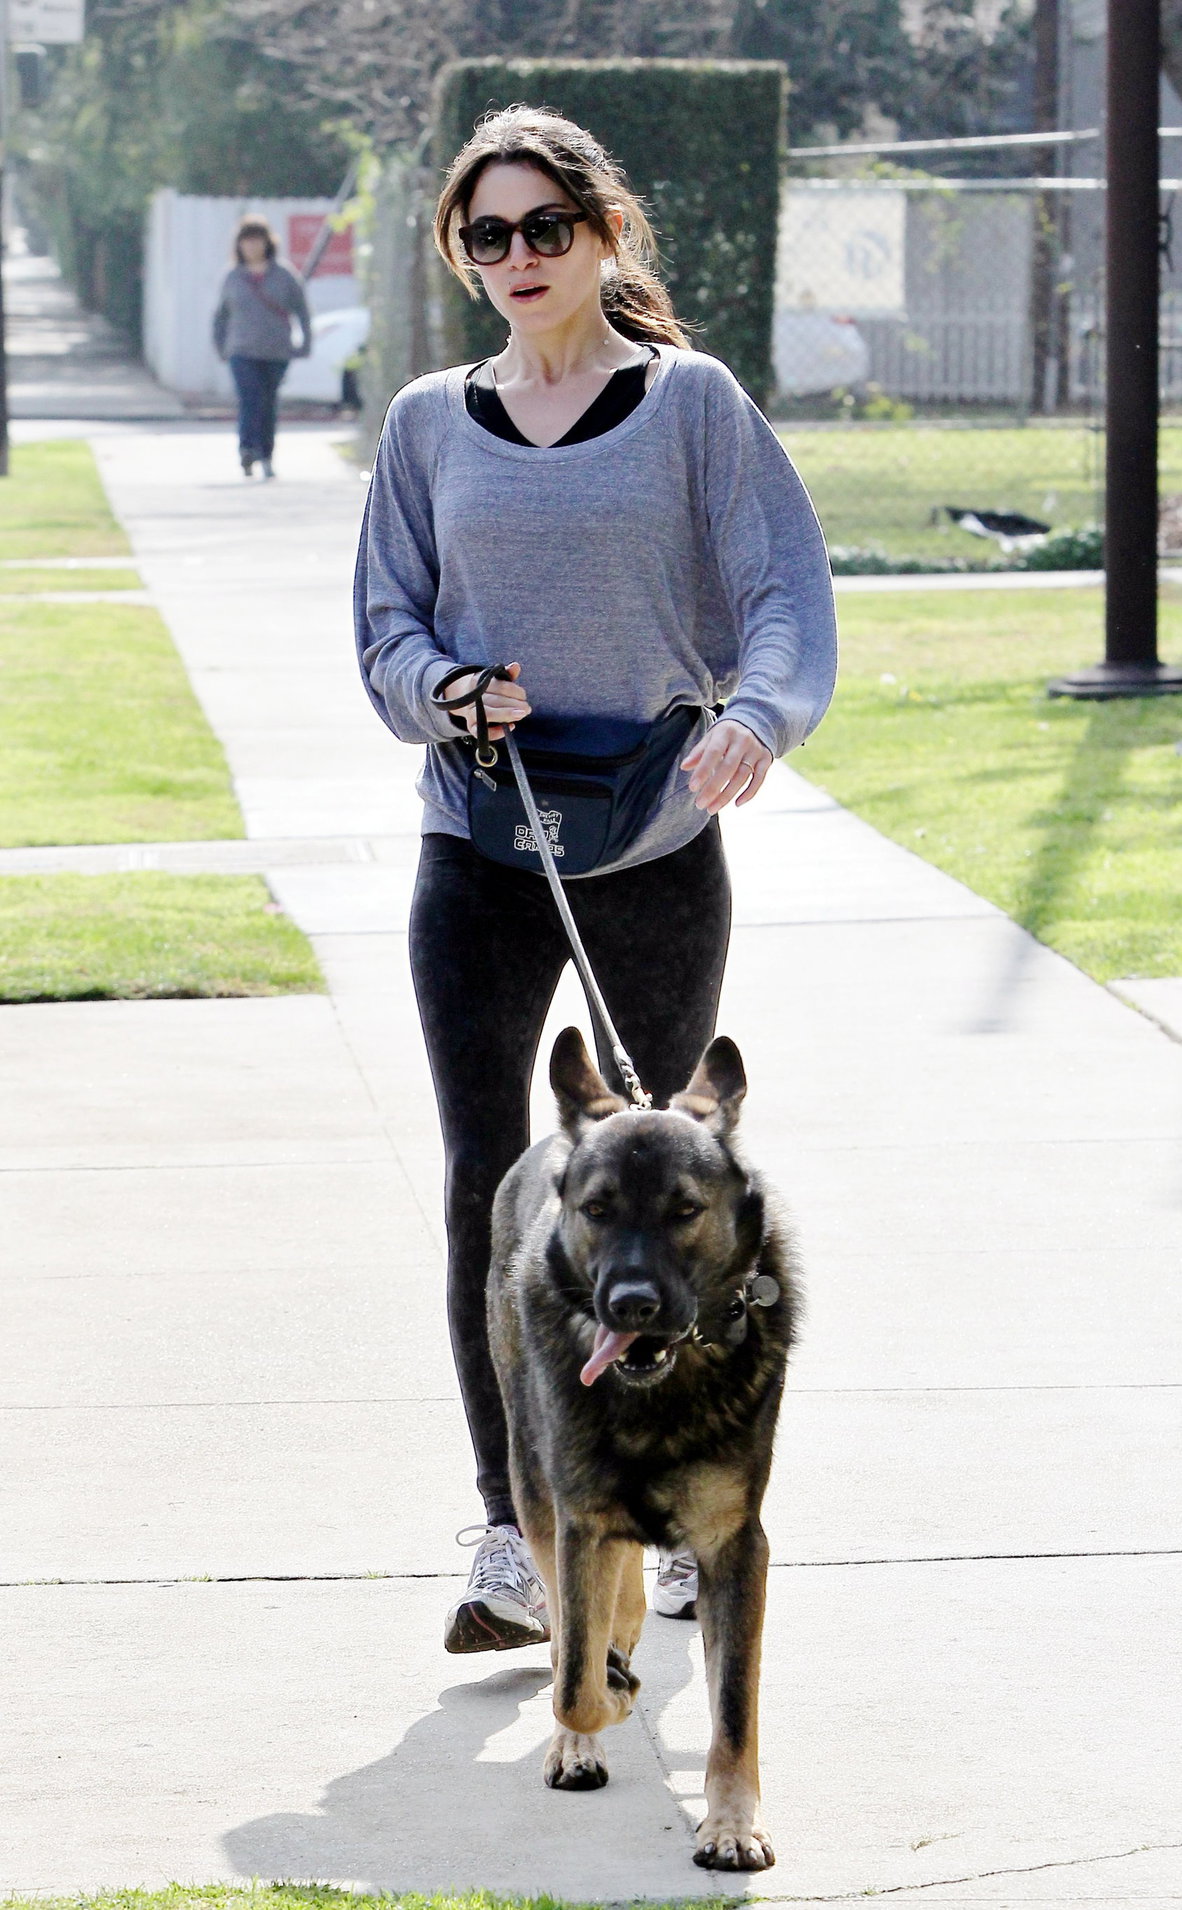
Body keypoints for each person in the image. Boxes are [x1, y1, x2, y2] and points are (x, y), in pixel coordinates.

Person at [354, 107, 837, 1652]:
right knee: (484, 1188)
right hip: (478, 842)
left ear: (602, 235)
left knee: (673, 1197)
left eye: (541, 229)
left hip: (647, 843)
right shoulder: (428, 422)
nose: (514, 259)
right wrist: (443, 690)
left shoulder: (689, 406)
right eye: (482, 236)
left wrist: (758, 715)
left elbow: (780, 590)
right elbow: (385, 624)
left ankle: (690, 1514)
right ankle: (515, 1525)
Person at [213, 216, 312, 478]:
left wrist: (305, 343)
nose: (252, 246)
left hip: (276, 351)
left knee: (268, 403)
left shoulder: (284, 275)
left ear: (267, 243)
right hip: (241, 350)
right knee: (249, 398)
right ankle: (247, 450)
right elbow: (220, 315)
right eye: (246, 241)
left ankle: (266, 454)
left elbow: (301, 310)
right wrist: (220, 345)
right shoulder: (233, 277)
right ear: (239, 245)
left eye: (257, 240)